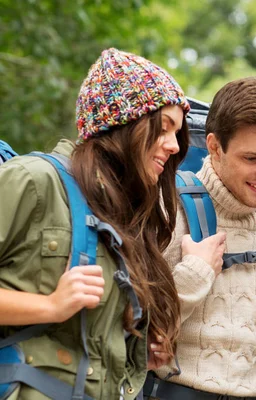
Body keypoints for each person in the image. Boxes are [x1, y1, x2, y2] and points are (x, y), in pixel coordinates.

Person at [0, 48, 190, 399]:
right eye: (164, 128)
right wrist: (49, 306)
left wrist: (133, 352)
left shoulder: (120, 217)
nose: (175, 146)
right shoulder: (33, 180)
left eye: (178, 133)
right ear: (123, 125)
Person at [149, 77, 256, 399]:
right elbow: (131, 334)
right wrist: (193, 276)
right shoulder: (166, 211)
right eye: (252, 159)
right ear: (214, 147)